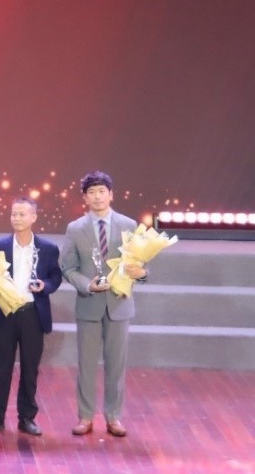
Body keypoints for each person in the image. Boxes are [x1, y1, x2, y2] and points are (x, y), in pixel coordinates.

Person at [59, 170, 146, 438]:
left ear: (111, 195)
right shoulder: (75, 228)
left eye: (101, 191)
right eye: (91, 192)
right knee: (86, 365)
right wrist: (87, 285)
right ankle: (85, 416)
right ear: (85, 198)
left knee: (116, 365)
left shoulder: (128, 225)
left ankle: (114, 416)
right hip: (89, 303)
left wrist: (142, 273)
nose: (97, 197)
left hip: (119, 304)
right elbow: (67, 267)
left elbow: (141, 263)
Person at [0, 198, 62, 436]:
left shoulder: (48, 248)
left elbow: (56, 277)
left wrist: (45, 285)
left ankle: (27, 418)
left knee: (30, 369)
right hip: (5, 313)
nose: (17, 219)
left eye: (22, 214)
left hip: (33, 313)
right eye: (14, 214)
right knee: (2, 368)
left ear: (33, 217)